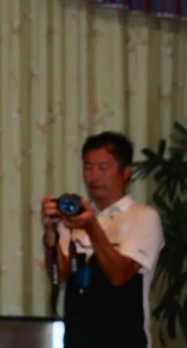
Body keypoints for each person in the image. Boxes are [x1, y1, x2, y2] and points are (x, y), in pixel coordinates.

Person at [41, 132, 164, 348]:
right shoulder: (74, 217)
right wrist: (51, 233)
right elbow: (59, 275)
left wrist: (91, 227)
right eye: (88, 168)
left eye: (103, 168)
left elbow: (120, 276)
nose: (94, 177)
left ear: (126, 172)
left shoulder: (143, 217)